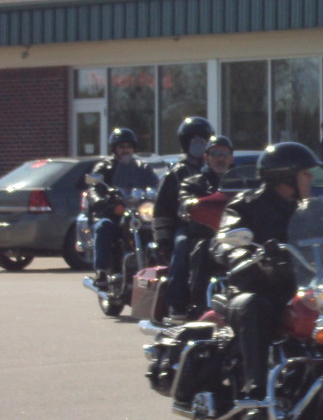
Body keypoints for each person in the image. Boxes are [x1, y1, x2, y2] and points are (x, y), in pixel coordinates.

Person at [213, 142, 318, 410]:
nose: (312, 178)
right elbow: (223, 242)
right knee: (254, 307)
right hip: (259, 288)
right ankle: (255, 392)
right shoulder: (246, 206)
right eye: (306, 173)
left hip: (303, 289)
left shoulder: (312, 210)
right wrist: (246, 256)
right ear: (285, 177)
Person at [154, 116, 214, 317]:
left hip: (216, 225)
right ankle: (176, 304)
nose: (198, 143)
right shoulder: (176, 173)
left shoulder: (217, 171)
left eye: (202, 139)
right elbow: (162, 209)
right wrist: (163, 241)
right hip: (187, 226)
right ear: (185, 142)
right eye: (193, 139)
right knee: (181, 248)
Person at [169, 134, 234, 320]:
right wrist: (191, 203)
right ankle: (191, 304)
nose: (220, 158)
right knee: (197, 249)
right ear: (206, 157)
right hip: (204, 234)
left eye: (224, 153)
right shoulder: (194, 182)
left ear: (231, 157)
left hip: (237, 235)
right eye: (215, 153)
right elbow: (186, 199)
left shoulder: (242, 181)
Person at [89, 127, 159, 289]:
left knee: (156, 229)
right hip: (112, 212)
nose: (125, 150)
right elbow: (93, 188)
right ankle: (102, 271)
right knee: (104, 226)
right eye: (121, 146)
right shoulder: (104, 166)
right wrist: (101, 198)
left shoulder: (142, 167)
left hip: (137, 212)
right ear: (114, 149)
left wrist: (159, 193)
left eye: (128, 146)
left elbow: (155, 183)